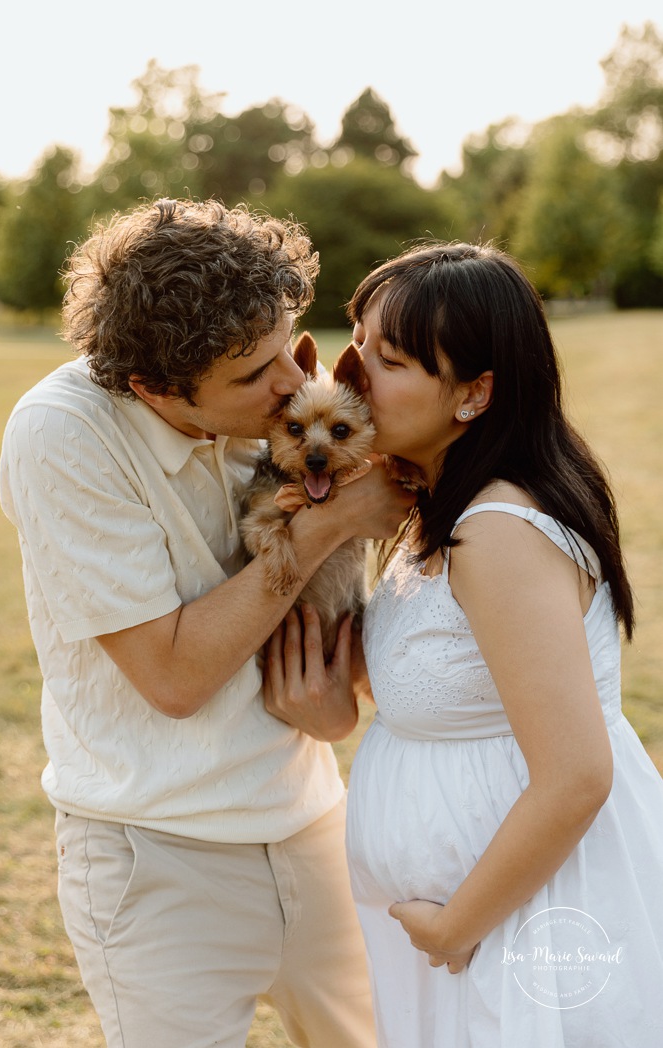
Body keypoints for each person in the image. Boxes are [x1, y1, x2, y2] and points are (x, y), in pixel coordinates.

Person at [0, 197, 413, 1048]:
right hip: (159, 857)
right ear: (153, 387)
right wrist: (328, 523)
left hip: (310, 821)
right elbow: (176, 677)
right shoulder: (62, 435)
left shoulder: (274, 413)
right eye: (255, 372)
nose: (292, 382)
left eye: (284, 348)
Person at [265, 242, 663, 1047]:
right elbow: (463, 685)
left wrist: (456, 927)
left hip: (519, 912)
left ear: (474, 394)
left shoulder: (498, 532)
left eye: (391, 358)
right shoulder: (430, 509)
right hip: (465, 916)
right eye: (360, 342)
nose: (354, 372)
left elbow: (576, 775)